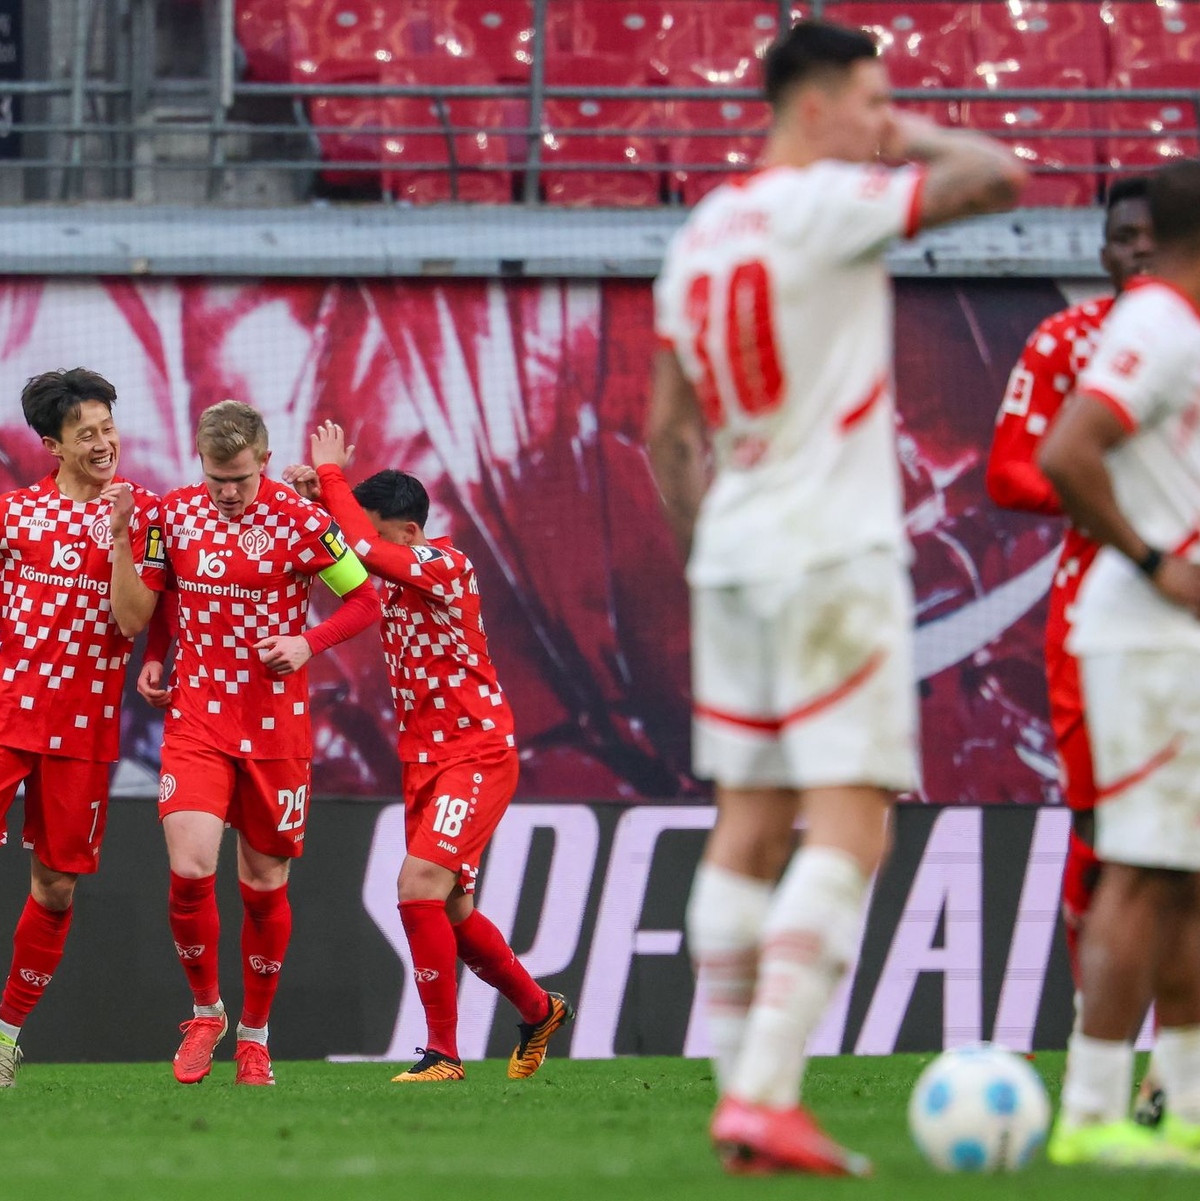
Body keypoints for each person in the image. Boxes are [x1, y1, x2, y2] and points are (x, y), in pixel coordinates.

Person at [647, 20, 1025, 1175]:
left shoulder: (703, 231)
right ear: (814, 109)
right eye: (870, 98)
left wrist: (711, 548)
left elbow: (668, 432)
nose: (884, 119)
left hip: (737, 551)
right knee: (851, 822)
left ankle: (738, 1102)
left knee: (750, 826)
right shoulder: (825, 202)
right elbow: (999, 177)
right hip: (832, 551)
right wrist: (900, 135)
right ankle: (765, 1094)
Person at [283, 423, 573, 1083]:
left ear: (409, 533)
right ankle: (537, 1007)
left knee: (416, 887)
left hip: (475, 753)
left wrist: (331, 477)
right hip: (425, 762)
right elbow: (340, 556)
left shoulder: (445, 565)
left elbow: (358, 548)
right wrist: (313, 504)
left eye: (382, 537)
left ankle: (443, 1052)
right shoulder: (387, 575)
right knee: (451, 908)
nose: (371, 551)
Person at [137, 400, 379, 1086]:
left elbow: (363, 598)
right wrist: (158, 654)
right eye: (217, 477)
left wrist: (309, 640)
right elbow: (166, 593)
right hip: (198, 721)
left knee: (264, 885)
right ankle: (206, 1010)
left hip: (276, 729)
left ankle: (255, 1036)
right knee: (189, 867)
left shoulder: (302, 522)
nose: (228, 492)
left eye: (239, 477)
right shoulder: (175, 512)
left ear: (264, 462)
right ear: (201, 465)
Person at [1038, 159, 1200, 1168]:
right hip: (1146, 635)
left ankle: (1180, 1099)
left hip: (1170, 640)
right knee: (1140, 873)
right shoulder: (1155, 323)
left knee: (1183, 878)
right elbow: (1067, 451)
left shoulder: (1175, 324)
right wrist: (1154, 561)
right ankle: (1091, 1109)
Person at [987, 179, 1154, 978]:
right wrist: (1112, 498)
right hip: (1094, 610)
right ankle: (1098, 1035)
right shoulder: (1067, 340)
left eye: (1157, 235)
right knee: (1098, 824)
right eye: (1126, 237)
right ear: (1102, 251)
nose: (1142, 251)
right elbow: (1008, 474)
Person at [0, 368, 165, 1085]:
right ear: (52, 445)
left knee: (57, 885)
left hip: (85, 730)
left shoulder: (147, 512)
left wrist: (123, 536)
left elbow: (133, 620)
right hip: (6, 714)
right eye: (86, 434)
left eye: (108, 428)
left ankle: (4, 1039)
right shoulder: (15, 516)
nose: (104, 444)